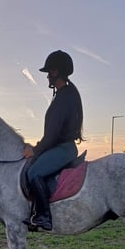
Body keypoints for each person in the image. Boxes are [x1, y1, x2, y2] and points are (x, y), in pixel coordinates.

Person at [22, 50, 84, 231]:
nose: (47, 76)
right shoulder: (67, 94)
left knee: (34, 173)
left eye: (49, 72)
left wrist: (35, 150)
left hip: (63, 147)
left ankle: (44, 217)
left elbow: (53, 135)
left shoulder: (64, 97)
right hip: (62, 146)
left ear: (56, 72)